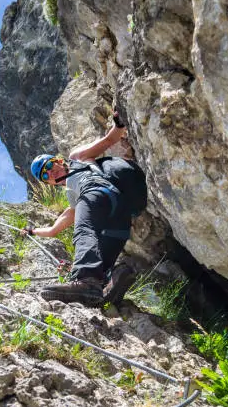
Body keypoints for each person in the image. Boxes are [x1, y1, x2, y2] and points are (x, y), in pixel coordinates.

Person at [23, 111, 147, 307]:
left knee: (84, 231)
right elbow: (54, 229)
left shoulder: (77, 158)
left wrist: (119, 124)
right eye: (45, 175)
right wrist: (32, 231)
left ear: (58, 161)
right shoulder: (73, 198)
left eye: (50, 165)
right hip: (120, 212)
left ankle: (85, 281)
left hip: (96, 191)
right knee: (102, 257)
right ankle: (111, 281)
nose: (50, 172)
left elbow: (108, 141)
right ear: (49, 183)